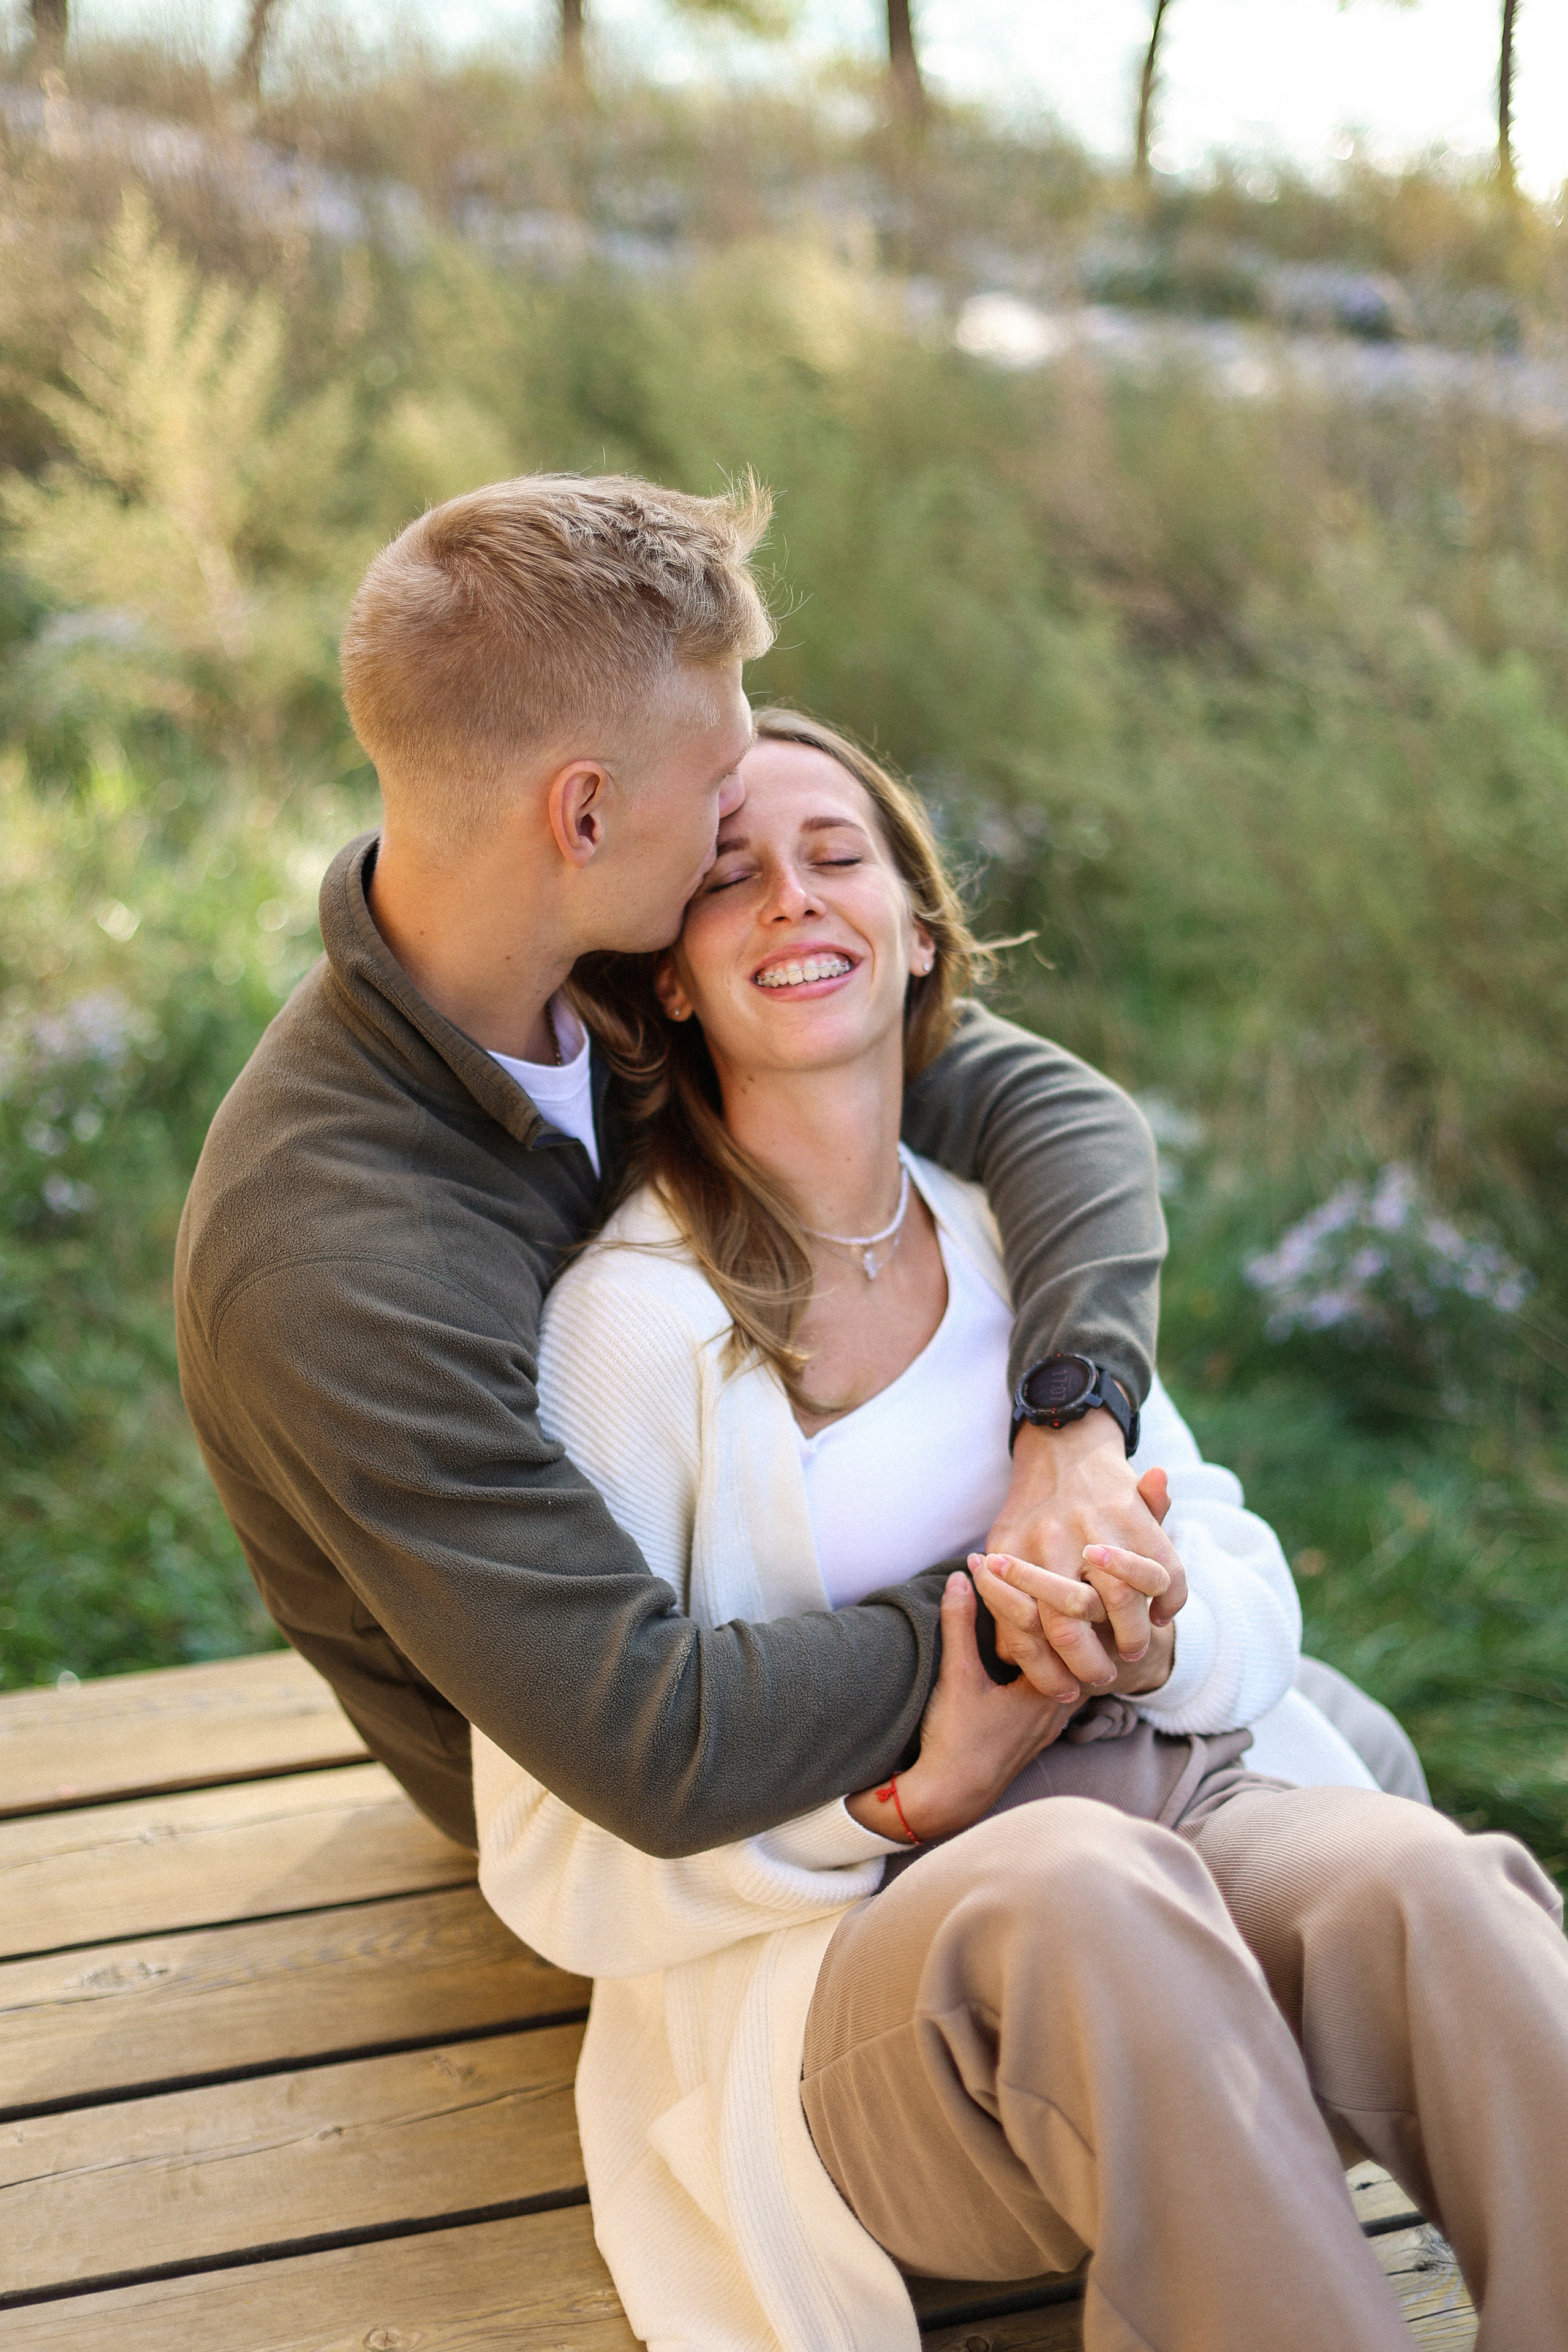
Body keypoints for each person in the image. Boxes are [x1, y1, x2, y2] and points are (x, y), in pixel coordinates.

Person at [473, 710, 1568, 2352]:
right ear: (673, 978)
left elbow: (1241, 1577)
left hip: (1174, 1806)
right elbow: (551, 1854)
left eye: (839, 858)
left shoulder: (1008, 1239)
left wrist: (1158, 1628)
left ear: (921, 937)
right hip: (881, 1983)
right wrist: (906, 1794)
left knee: (1442, 1892)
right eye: (730, 876)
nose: (793, 897)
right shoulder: (626, 1336)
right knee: (1080, 1880)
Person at [175, 470, 1192, 1859]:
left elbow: (1047, 1109)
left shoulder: (600, 955)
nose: (743, 826)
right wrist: (1045, 1604)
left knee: (1360, 1806)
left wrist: (1071, 1426)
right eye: (719, 788)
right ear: (582, 816)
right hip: (632, 1860)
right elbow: (654, 1743)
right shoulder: (329, 1254)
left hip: (863, 1665)